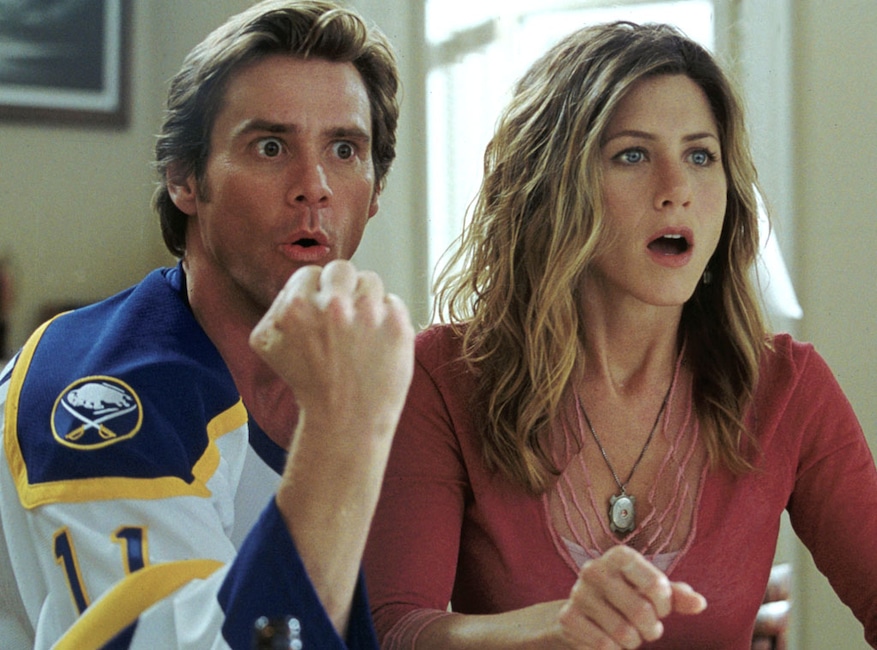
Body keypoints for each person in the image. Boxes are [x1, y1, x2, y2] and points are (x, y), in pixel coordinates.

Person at [363, 21, 877, 649]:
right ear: (551, 186)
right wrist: (550, 629)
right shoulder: (443, 378)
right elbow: (394, 630)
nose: (676, 190)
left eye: (700, 156)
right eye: (632, 155)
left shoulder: (788, 390)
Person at [0, 1, 414, 648]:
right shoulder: (100, 386)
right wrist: (345, 427)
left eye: (344, 149)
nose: (314, 186)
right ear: (183, 179)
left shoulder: (371, 370)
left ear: (376, 188)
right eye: (270, 146)